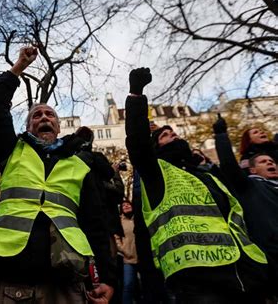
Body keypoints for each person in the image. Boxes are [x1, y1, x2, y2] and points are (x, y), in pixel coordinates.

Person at [0, 46, 115, 303]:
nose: (44, 117)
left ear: (59, 125)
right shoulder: (12, 151)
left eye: (50, 114)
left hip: (68, 280)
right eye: (37, 115)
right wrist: (17, 69)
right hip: (12, 276)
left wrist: (106, 277)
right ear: (28, 126)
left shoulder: (80, 165)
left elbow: (96, 224)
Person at [125, 67, 270, 303]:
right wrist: (136, 96)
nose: (173, 135)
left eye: (174, 133)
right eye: (164, 136)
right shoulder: (157, 174)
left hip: (248, 278)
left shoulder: (207, 174)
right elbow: (139, 145)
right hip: (198, 285)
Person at [213, 116, 278, 286]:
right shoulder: (250, 186)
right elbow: (228, 165)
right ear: (253, 169)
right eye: (264, 162)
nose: (270, 163)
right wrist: (221, 135)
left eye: (271, 161)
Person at [115, 200, 138, 304]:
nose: (126, 206)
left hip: (143, 257)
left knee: (145, 285)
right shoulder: (119, 221)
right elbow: (116, 237)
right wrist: (123, 248)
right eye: (123, 205)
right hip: (128, 258)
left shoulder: (138, 219)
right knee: (128, 285)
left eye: (128, 204)